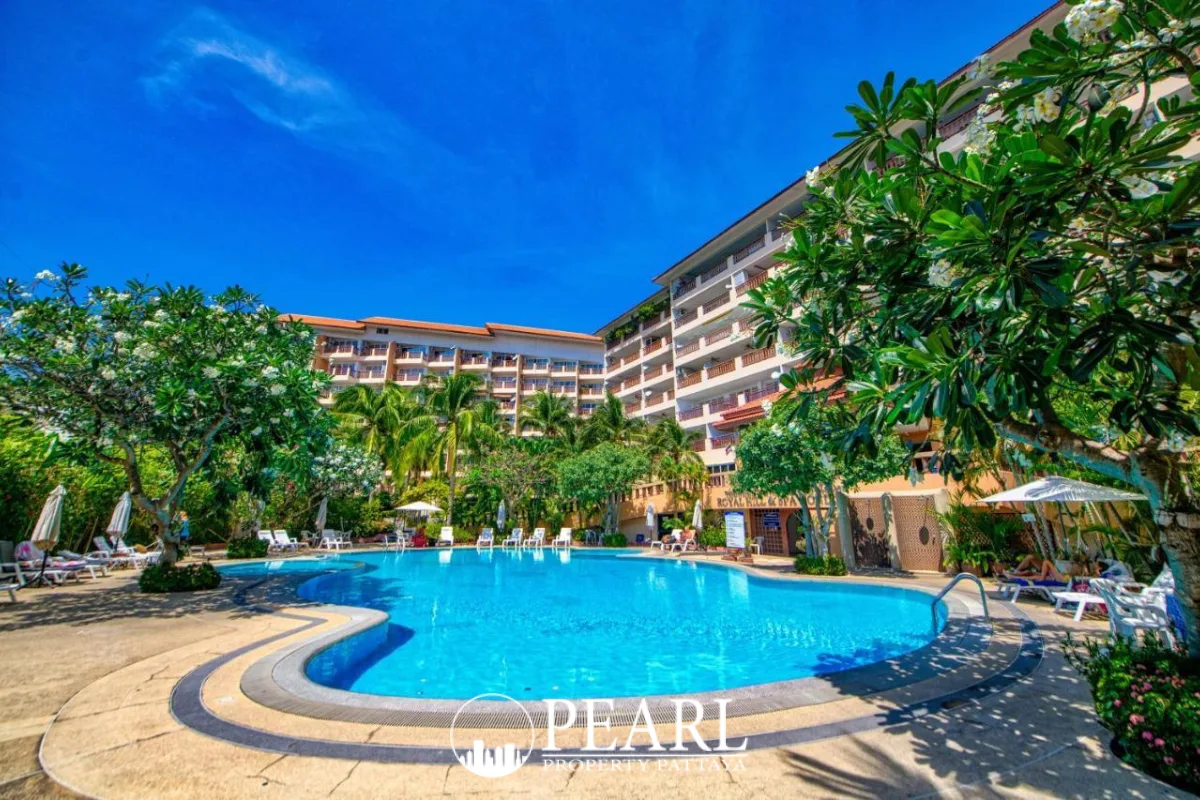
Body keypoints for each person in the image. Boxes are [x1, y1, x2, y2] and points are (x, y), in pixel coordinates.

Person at [1000, 554, 1067, 582]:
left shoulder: (1064, 577)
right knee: (1030, 559)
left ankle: (1013, 576)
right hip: (1048, 574)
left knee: (1034, 575)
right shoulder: (1065, 576)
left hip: (1049, 576)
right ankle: (1013, 573)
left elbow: (1046, 562)